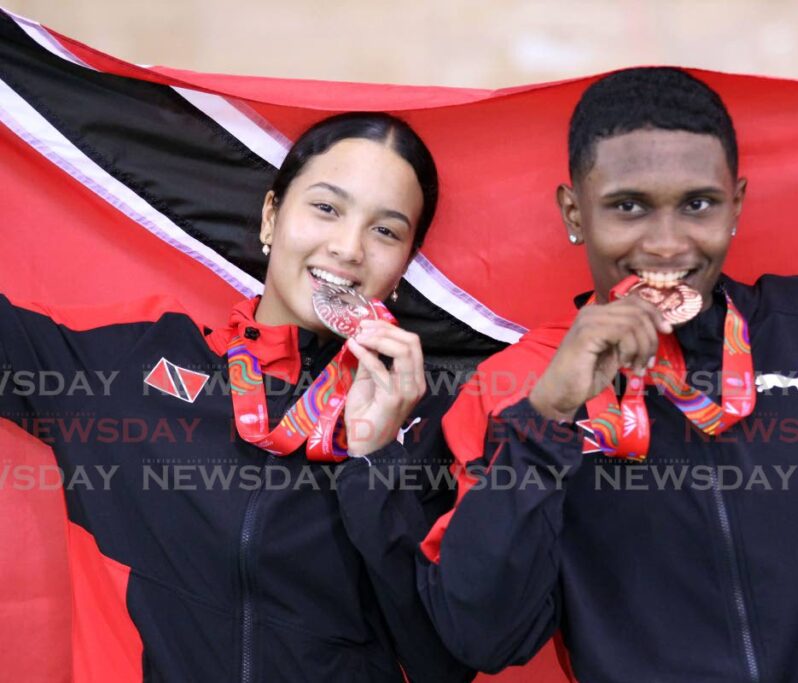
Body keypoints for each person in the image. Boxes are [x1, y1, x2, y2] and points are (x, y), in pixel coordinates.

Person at [339, 69, 798, 682]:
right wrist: (545, 422)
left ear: (737, 203)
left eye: (698, 204)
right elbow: (480, 635)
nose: (667, 244)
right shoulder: (514, 389)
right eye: (629, 206)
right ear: (575, 214)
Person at [0, 112, 474, 682]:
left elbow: (441, 663)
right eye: (326, 208)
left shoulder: (429, 424)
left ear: (403, 268)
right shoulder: (131, 363)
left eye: (386, 231)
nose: (348, 248)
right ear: (272, 217)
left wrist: (375, 465)